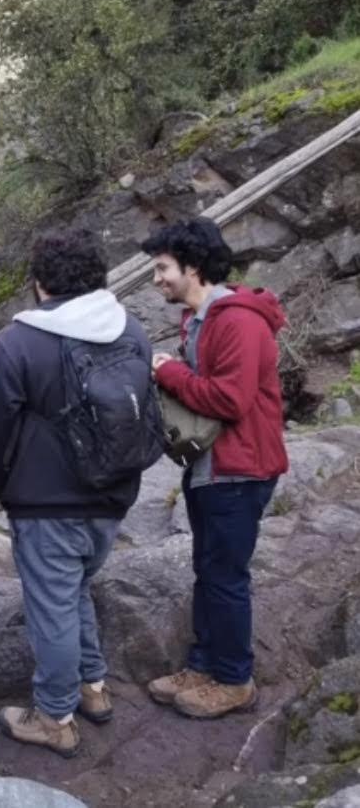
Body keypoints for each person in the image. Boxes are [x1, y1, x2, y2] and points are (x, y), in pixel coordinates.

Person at [0, 228, 157, 757]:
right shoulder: (134, 331)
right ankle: (92, 686)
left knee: (51, 608)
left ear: (39, 285)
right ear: (98, 278)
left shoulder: (19, 341)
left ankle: (54, 716)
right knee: (74, 589)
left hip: (46, 503)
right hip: (114, 495)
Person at [143, 218, 288, 719]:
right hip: (212, 468)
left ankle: (234, 680)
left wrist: (170, 372)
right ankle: (203, 665)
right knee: (208, 571)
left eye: (162, 268)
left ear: (193, 267)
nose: (157, 279)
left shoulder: (237, 321)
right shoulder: (200, 319)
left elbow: (230, 399)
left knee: (225, 576)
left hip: (240, 469)